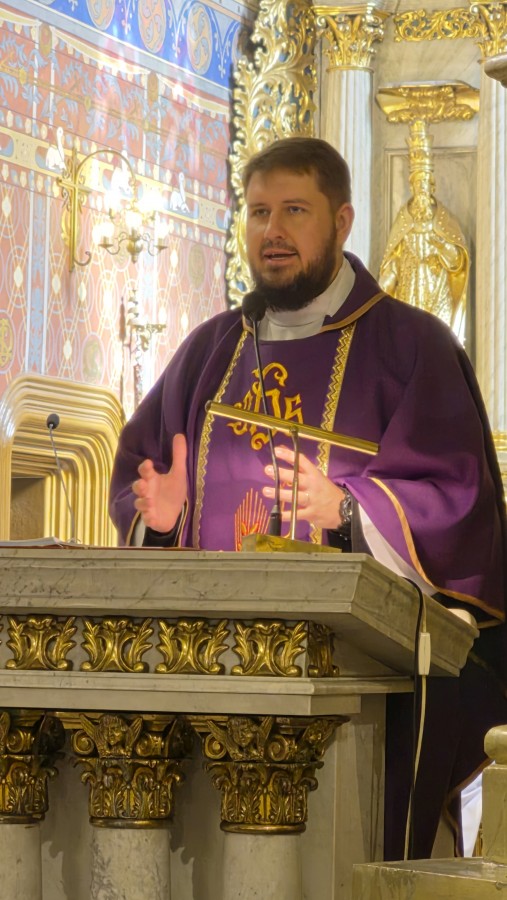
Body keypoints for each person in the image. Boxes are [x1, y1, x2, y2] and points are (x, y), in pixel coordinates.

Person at [109, 136, 507, 860]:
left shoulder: (411, 347)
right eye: (258, 212)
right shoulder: (209, 350)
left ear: (342, 221)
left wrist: (349, 511)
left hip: (360, 702)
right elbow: (142, 472)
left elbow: (457, 502)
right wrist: (160, 522)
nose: (273, 231)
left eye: (295, 210)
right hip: (214, 681)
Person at [379, 166, 469, 338]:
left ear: (432, 188)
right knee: (408, 342)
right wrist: (386, 281)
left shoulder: (444, 220)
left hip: (437, 293)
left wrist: (444, 247)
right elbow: (393, 261)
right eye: (417, 182)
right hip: (409, 294)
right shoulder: (403, 222)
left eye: (425, 182)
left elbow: (458, 262)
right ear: (411, 187)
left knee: (440, 341)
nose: (421, 187)